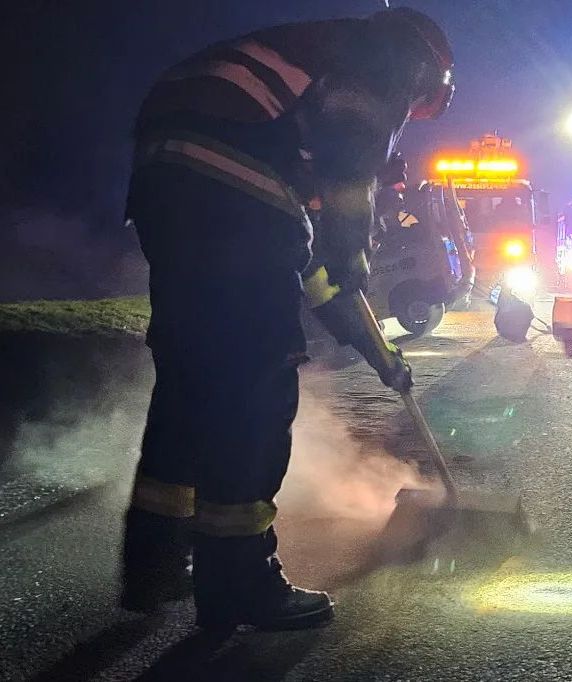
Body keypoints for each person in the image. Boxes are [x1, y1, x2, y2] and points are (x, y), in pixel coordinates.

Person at [121, 8, 454, 631]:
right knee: (258, 386)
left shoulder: (288, 147)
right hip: (225, 171)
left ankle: (154, 562)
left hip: (167, 175)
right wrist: (350, 236)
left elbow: (321, 283)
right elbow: (357, 135)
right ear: (432, 75)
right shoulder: (391, 53)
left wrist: (382, 356)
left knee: (191, 380)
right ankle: (239, 581)